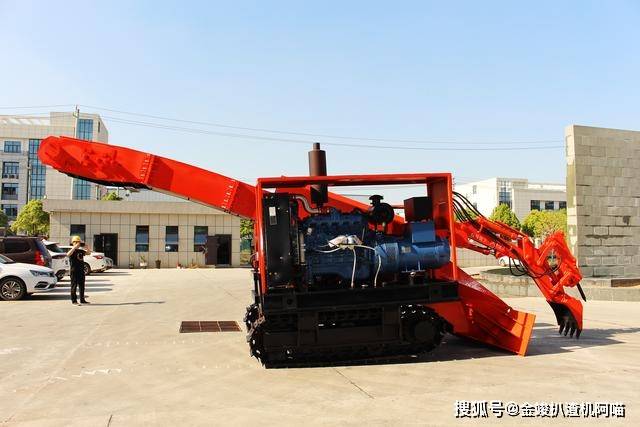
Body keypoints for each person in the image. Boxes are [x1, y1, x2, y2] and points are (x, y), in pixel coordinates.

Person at [67, 235, 92, 305]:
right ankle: (74, 301)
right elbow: (68, 254)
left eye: (79, 242)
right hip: (74, 271)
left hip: (81, 270)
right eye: (76, 242)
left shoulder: (80, 251)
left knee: (82, 286)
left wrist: (87, 247)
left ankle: (82, 299)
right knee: (74, 286)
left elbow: (89, 253)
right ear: (73, 243)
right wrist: (74, 247)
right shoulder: (72, 250)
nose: (78, 244)